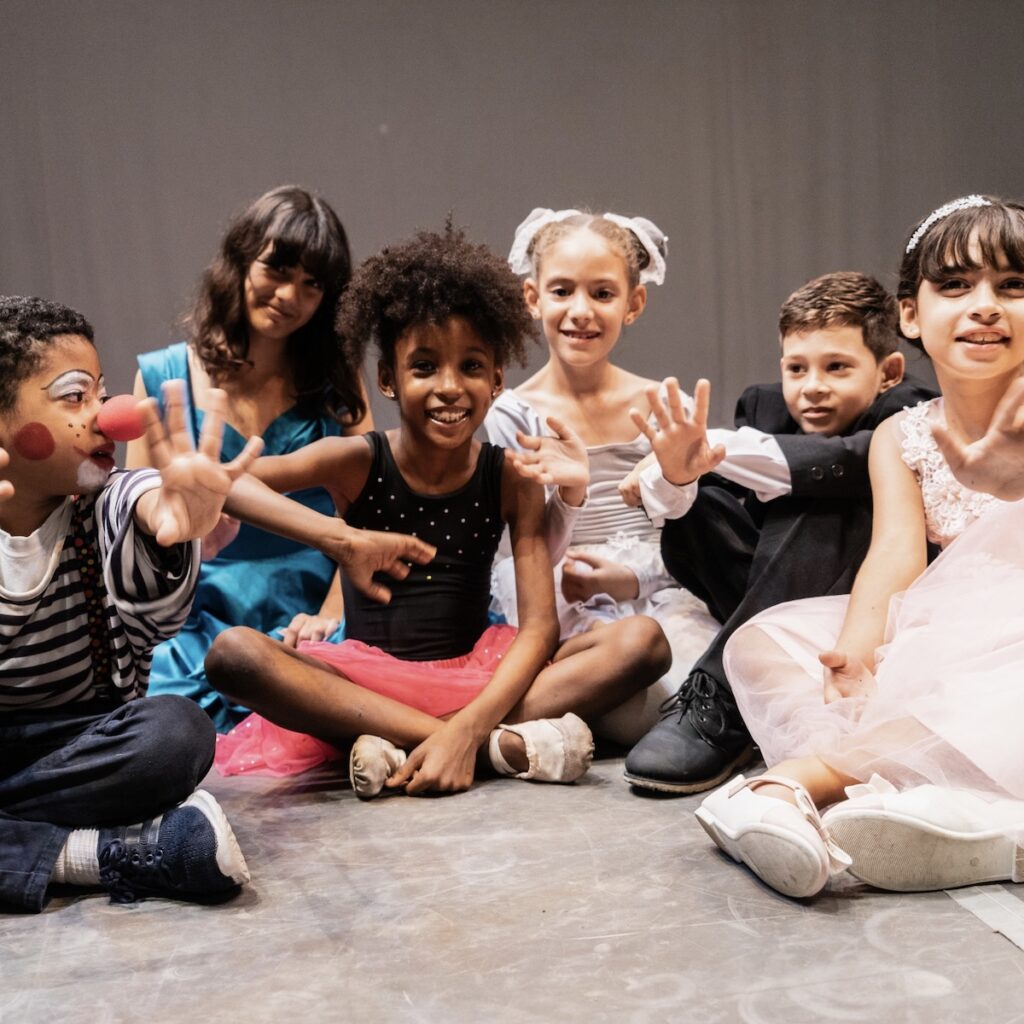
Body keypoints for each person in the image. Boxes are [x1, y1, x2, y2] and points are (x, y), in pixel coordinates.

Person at [207, 225, 672, 796]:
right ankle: (482, 747)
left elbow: (538, 629)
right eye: (424, 367)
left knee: (642, 641)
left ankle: (429, 740)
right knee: (234, 655)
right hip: (364, 686)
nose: (450, 387)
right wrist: (341, 540)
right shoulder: (355, 460)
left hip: (474, 678)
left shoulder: (510, 477)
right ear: (388, 380)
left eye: (471, 368)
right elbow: (224, 485)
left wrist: (471, 720)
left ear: (498, 379)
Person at [695, 194, 1024, 899]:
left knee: (996, 682)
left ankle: (791, 787)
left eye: (1014, 286)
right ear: (910, 314)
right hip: (949, 628)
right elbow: (896, 553)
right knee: (766, 644)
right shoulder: (902, 434)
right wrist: (856, 649)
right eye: (957, 285)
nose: (986, 305)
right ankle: (932, 806)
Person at [622, 272, 936, 793]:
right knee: (703, 493)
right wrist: (676, 473)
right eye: (796, 367)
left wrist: (712, 449)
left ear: (888, 371)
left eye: (837, 367)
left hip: (855, 599)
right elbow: (721, 516)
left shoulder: (912, 407)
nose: (812, 385)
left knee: (822, 494)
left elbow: (846, 460)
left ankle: (720, 697)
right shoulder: (762, 406)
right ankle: (738, 679)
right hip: (757, 588)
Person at [0, 295, 261, 911]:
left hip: (83, 745)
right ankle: (97, 854)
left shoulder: (106, 502)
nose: (109, 416)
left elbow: (145, 502)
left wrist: (171, 522)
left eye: (102, 392)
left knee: (177, 732)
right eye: (74, 397)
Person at [128, 186, 371, 731]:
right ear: (240, 258)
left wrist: (334, 611)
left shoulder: (337, 381)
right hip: (194, 615)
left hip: (314, 609)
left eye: (313, 284)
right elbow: (131, 526)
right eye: (278, 269)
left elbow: (367, 513)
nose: (290, 295)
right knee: (165, 727)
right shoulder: (162, 377)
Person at [484, 208, 718, 745]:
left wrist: (633, 580)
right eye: (562, 290)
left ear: (634, 304)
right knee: (630, 698)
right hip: (565, 607)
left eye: (603, 294)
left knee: (692, 690)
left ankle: (544, 732)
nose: (580, 311)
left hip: (663, 596)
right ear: (532, 297)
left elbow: (692, 541)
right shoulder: (514, 414)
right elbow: (521, 551)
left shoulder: (666, 404)